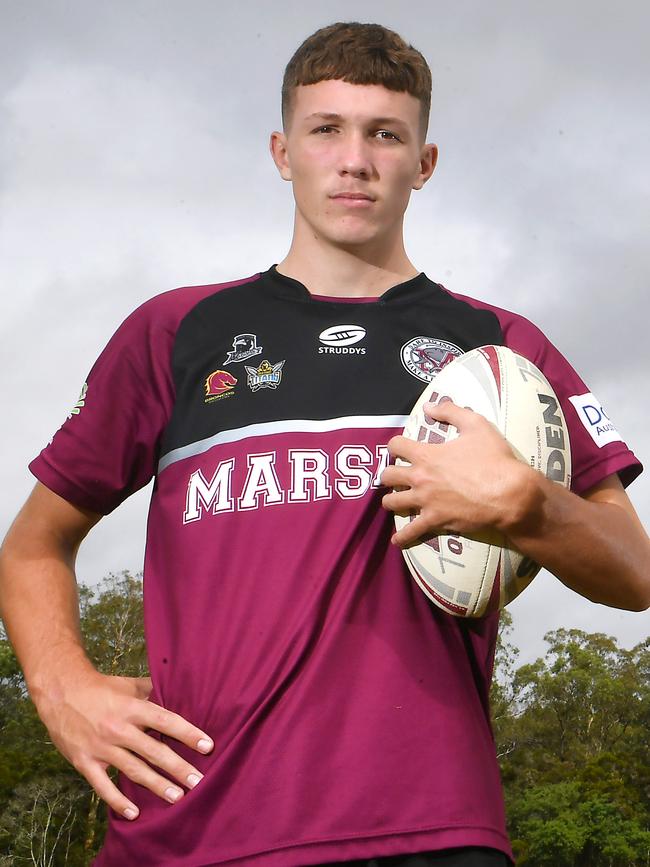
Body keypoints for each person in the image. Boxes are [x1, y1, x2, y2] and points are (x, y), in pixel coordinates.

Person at [0, 21, 648, 867]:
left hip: (430, 830)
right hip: (186, 829)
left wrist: (529, 504)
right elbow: (33, 545)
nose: (355, 159)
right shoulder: (177, 332)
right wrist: (63, 687)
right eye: (326, 129)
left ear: (424, 162)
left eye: (385, 134)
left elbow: (634, 569)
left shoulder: (497, 351)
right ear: (282, 150)